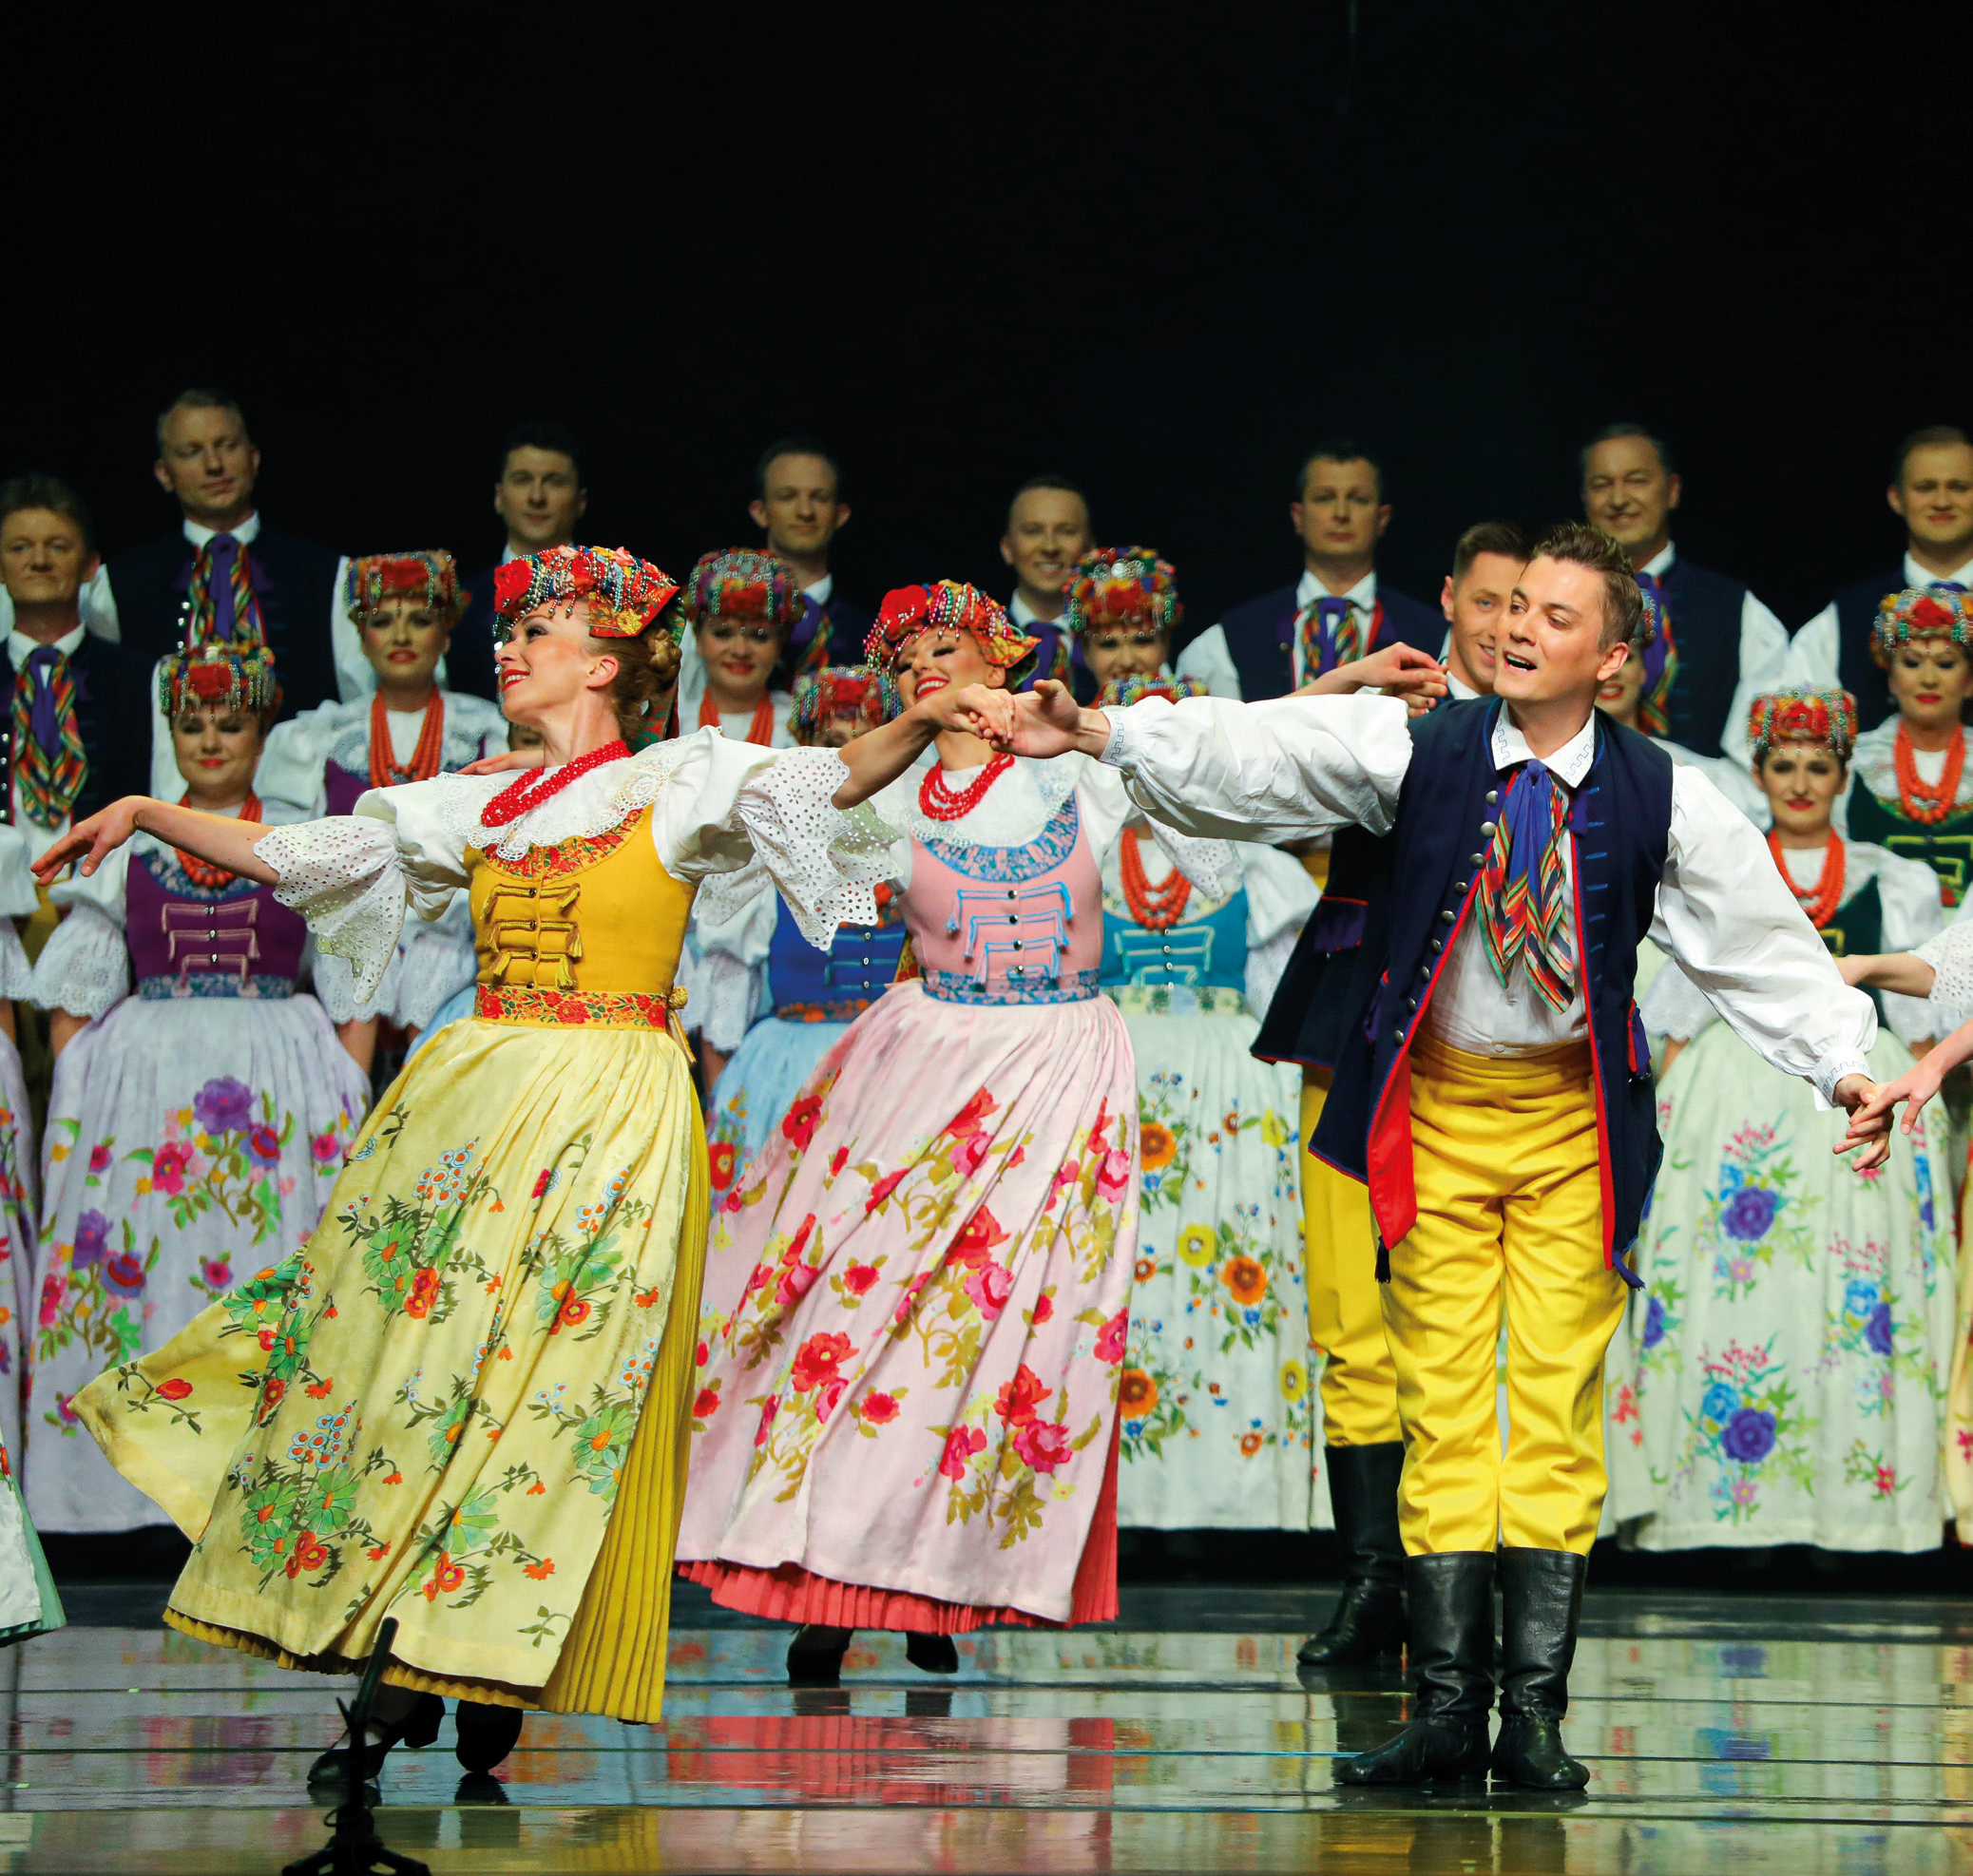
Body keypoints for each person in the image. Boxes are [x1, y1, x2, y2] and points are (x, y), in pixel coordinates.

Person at [976, 522, 1884, 1790]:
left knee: (1554, 1403)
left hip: (1571, 1124)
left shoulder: (1663, 789)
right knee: (1443, 1396)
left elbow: (1757, 945)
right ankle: (1448, 1707)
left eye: (1556, 617)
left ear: (1615, 660)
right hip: (1442, 1115)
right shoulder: (1418, 743)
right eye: (1513, 606)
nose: (1521, 629)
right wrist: (1105, 731)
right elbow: (1265, 744)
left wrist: (1846, 1059)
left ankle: (1536, 1718)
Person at [48, 545, 965, 1787]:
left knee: (557, 1387)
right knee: (410, 1366)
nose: (511, 641)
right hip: (473, 1100)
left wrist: (918, 711)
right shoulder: (466, 801)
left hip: (613, 1106)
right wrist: (148, 811)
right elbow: (306, 857)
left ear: (603, 661)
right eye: (515, 625)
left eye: (543, 628)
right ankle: (409, 1647)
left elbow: (835, 774)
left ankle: (463, 1657)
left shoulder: (681, 780)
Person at [677, 579, 1237, 1678]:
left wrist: (1350, 687)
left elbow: (1214, 774)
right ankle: (827, 1585)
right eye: (903, 658)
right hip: (926, 1065)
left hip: (1061, 1063)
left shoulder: (1077, 769)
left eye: (947, 647)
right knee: (864, 1319)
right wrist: (908, 732)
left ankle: (944, 1591)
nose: (922, 666)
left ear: (999, 656)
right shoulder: (892, 799)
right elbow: (788, 817)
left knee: (1007, 1338)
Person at [24, 641, 370, 1540]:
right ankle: (123, 1498)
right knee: (151, 1262)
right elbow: (76, 998)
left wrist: (349, 1082)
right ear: (168, 731)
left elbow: (353, 981)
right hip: (152, 1088)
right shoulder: (126, 845)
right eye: (192, 723)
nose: (211, 739)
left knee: (271, 1265)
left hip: (276, 1072)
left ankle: (271, 1482)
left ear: (262, 732)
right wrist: (87, 1105)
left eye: (232, 722)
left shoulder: (294, 839)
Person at [1611, 688, 1954, 1556]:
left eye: (1819, 765)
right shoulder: (1724, 870)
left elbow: (1925, 1020)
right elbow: (1676, 1015)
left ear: (1844, 776)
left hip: (1853, 1095)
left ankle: (1855, 1511)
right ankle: (1715, 1514)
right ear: (1757, 774)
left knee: (1850, 1297)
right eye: (1783, 764)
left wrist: (1923, 1098)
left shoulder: (1894, 880)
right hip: (1728, 1116)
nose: (1800, 781)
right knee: (1732, 1298)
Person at [1064, 551, 1325, 1532]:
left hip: (1222, 1093)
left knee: (1219, 1274)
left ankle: (1231, 1495)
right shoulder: (1073, 829)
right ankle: (1102, 1504)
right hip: (1109, 1069)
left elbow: (1281, 987)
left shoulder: (1240, 850)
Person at [257, 552, 510, 1073]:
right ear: (360, 634)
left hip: (453, 936)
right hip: (350, 931)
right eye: (381, 621)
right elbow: (288, 852)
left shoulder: (488, 730)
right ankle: (348, 1130)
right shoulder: (321, 737)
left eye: (420, 620)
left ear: (446, 633)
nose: (401, 636)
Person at [698, 665, 907, 1185]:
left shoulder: (913, 841)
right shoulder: (769, 851)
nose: (854, 760)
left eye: (870, 742)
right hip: (789, 1073)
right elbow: (726, 998)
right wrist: (728, 1103)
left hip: (896, 1066)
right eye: (836, 744)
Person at [1580, 423, 1790, 761]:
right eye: (1602, 485)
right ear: (1585, 499)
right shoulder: (1560, 602)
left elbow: (1764, 751)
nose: (1619, 500)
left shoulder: (1734, 607)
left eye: (1637, 481)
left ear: (1672, 490)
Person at [1176, 441, 1442, 702]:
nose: (1341, 513)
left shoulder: (1437, 636)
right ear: (1297, 516)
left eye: (1358, 499)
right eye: (1324, 498)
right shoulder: (1228, 639)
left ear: (1382, 518)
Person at [1791, 426, 1973, 732]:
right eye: (1926, 487)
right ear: (1896, 498)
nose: (1942, 501)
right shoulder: (1845, 616)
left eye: (1959, 487)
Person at [1838, 586, 1973, 909]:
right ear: (1891, 678)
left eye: (1945, 664)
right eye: (1912, 663)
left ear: (1969, 681)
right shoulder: (1855, 763)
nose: (1928, 679)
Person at [449, 424, 590, 704]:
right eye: (522, 479)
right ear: (499, 497)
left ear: (580, 501)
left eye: (554, 481)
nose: (536, 497)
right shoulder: (461, 605)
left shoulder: (610, 597)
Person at [750, 438, 871, 680]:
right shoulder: (715, 624)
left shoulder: (868, 636)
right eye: (787, 496)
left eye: (819, 497)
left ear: (840, 514)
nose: (805, 511)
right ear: (760, 512)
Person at [999, 476, 1093, 691]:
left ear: (1090, 549)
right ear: (1007, 548)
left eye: (1066, 531)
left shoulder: (1120, 644)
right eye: (1032, 531)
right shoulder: (976, 643)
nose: (1049, 547)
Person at [1439, 523, 1529, 699]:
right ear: (1449, 598)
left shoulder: (1543, 722)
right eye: (1485, 603)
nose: (1499, 630)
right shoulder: (1400, 712)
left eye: (1516, 608)